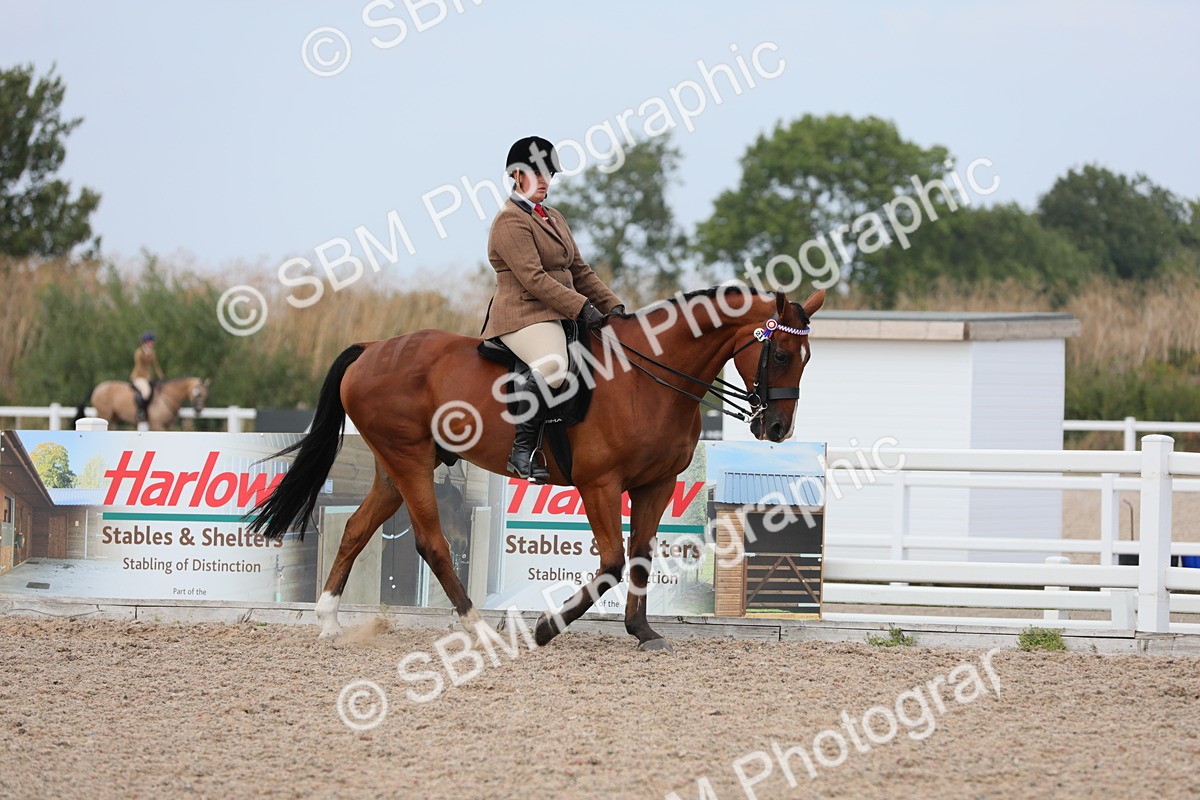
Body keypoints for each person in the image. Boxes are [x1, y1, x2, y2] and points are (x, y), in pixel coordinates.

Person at [481, 136, 625, 482]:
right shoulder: (510, 221)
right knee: (555, 367)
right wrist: (582, 308)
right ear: (516, 175)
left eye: (549, 174)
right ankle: (521, 450)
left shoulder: (554, 217)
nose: (545, 180)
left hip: (560, 312)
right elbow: (533, 279)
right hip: (523, 315)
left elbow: (580, 271)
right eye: (537, 173)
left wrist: (614, 307)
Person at [131, 332, 164, 422]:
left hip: (148, 377)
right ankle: (140, 411)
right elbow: (139, 367)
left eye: (152, 342)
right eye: (150, 342)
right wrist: (148, 377)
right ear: (145, 343)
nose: (152, 344)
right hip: (139, 377)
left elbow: (155, 366)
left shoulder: (152, 353)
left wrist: (161, 376)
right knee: (146, 391)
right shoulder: (139, 353)